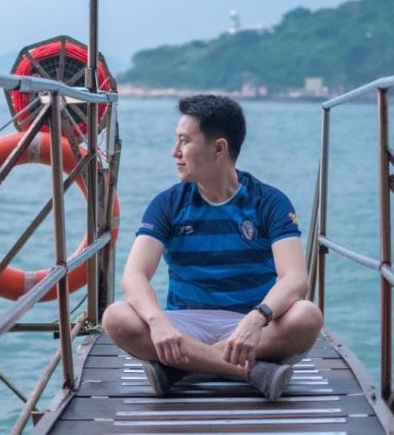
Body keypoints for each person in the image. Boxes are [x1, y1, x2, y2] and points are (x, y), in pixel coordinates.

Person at [101, 94, 323, 401]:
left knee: (307, 316)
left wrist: (256, 318)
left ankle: (180, 367)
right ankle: (248, 371)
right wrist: (158, 322)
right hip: (186, 324)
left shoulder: (269, 201)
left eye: (184, 142)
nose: (174, 152)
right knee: (116, 317)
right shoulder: (168, 203)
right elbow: (134, 276)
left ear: (219, 148)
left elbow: (295, 278)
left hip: (251, 326)